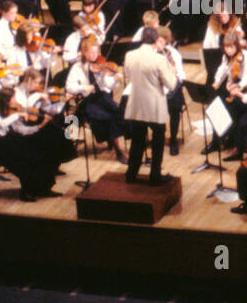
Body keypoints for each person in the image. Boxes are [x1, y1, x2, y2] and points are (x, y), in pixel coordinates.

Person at [0, 69, 73, 200]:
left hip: (15, 139)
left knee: (44, 153)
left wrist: (39, 126)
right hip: (2, 145)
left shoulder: (13, 110)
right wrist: (17, 115)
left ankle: (44, 188)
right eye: (13, 98)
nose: (16, 101)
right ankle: (27, 190)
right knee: (29, 158)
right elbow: (1, 124)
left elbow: (21, 130)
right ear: (5, 100)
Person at [123, 27, 178, 186]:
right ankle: (155, 176)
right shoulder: (159, 59)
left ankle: (131, 174)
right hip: (154, 106)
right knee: (158, 141)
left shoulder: (130, 55)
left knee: (137, 141)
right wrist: (172, 72)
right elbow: (172, 84)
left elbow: (129, 75)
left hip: (136, 103)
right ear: (155, 41)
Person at [66, 37, 128, 163]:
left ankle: (113, 140)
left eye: (97, 52)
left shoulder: (101, 66)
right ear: (84, 52)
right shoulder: (77, 67)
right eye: (91, 53)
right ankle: (119, 151)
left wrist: (115, 79)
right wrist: (83, 87)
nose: (95, 56)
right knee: (106, 118)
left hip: (102, 97)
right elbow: (69, 87)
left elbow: (109, 86)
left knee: (118, 112)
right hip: (87, 101)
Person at [157, 27, 187, 156]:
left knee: (175, 107)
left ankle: (173, 139)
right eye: (156, 41)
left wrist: (175, 76)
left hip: (172, 87)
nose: (159, 44)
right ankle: (159, 135)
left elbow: (181, 74)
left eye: (161, 42)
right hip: (156, 88)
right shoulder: (151, 54)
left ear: (166, 41)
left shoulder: (173, 53)